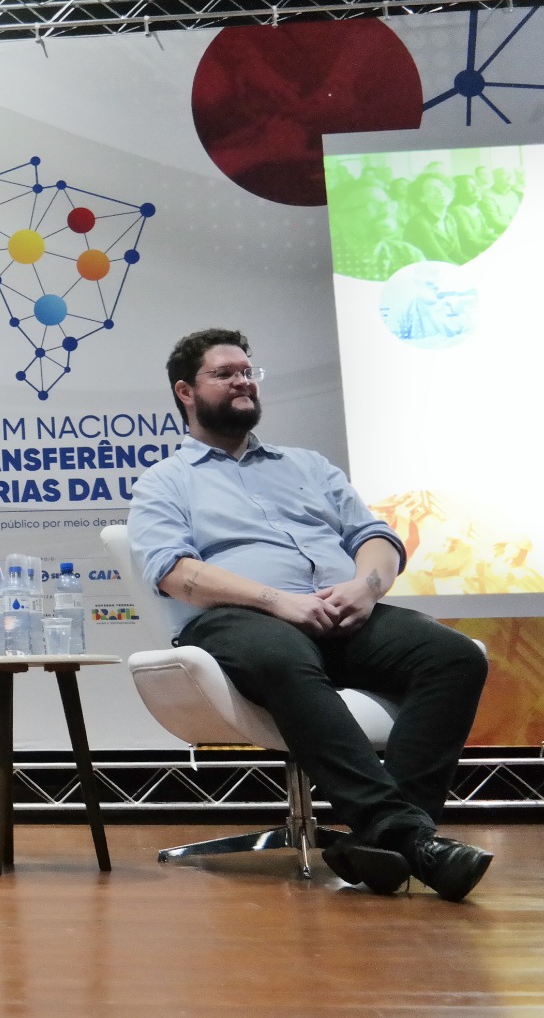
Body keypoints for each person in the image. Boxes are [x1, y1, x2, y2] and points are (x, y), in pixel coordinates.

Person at [128, 329, 493, 901]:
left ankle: (385, 843)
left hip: (341, 610)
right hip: (240, 618)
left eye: (248, 371)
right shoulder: (165, 481)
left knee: (454, 655)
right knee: (281, 653)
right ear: (186, 392)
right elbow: (176, 572)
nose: (243, 381)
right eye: (224, 373)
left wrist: (365, 589)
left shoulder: (308, 466)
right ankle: (409, 838)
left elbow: (375, 537)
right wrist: (277, 601)